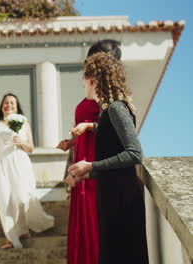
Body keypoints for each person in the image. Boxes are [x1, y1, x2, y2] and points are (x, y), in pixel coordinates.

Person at [68, 52, 149, 264]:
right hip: (112, 199)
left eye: (84, 78)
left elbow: (135, 153)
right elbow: (111, 145)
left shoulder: (116, 108)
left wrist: (92, 164)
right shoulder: (106, 112)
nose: (83, 83)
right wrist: (88, 172)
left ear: (93, 78)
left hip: (123, 202)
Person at [57, 39, 121, 264]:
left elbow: (112, 129)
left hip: (98, 158)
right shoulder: (93, 89)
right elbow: (90, 129)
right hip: (83, 154)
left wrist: (88, 127)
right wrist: (71, 142)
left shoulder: (112, 95)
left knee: (95, 214)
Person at [0, 93, 54, 249]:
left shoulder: (24, 123)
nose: (9, 105)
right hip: (1, 165)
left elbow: (30, 148)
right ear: (2, 106)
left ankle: (23, 229)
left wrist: (22, 142)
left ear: (17, 107)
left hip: (19, 163)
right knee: (5, 200)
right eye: (6, 102)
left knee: (21, 198)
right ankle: (10, 238)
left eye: (12, 103)